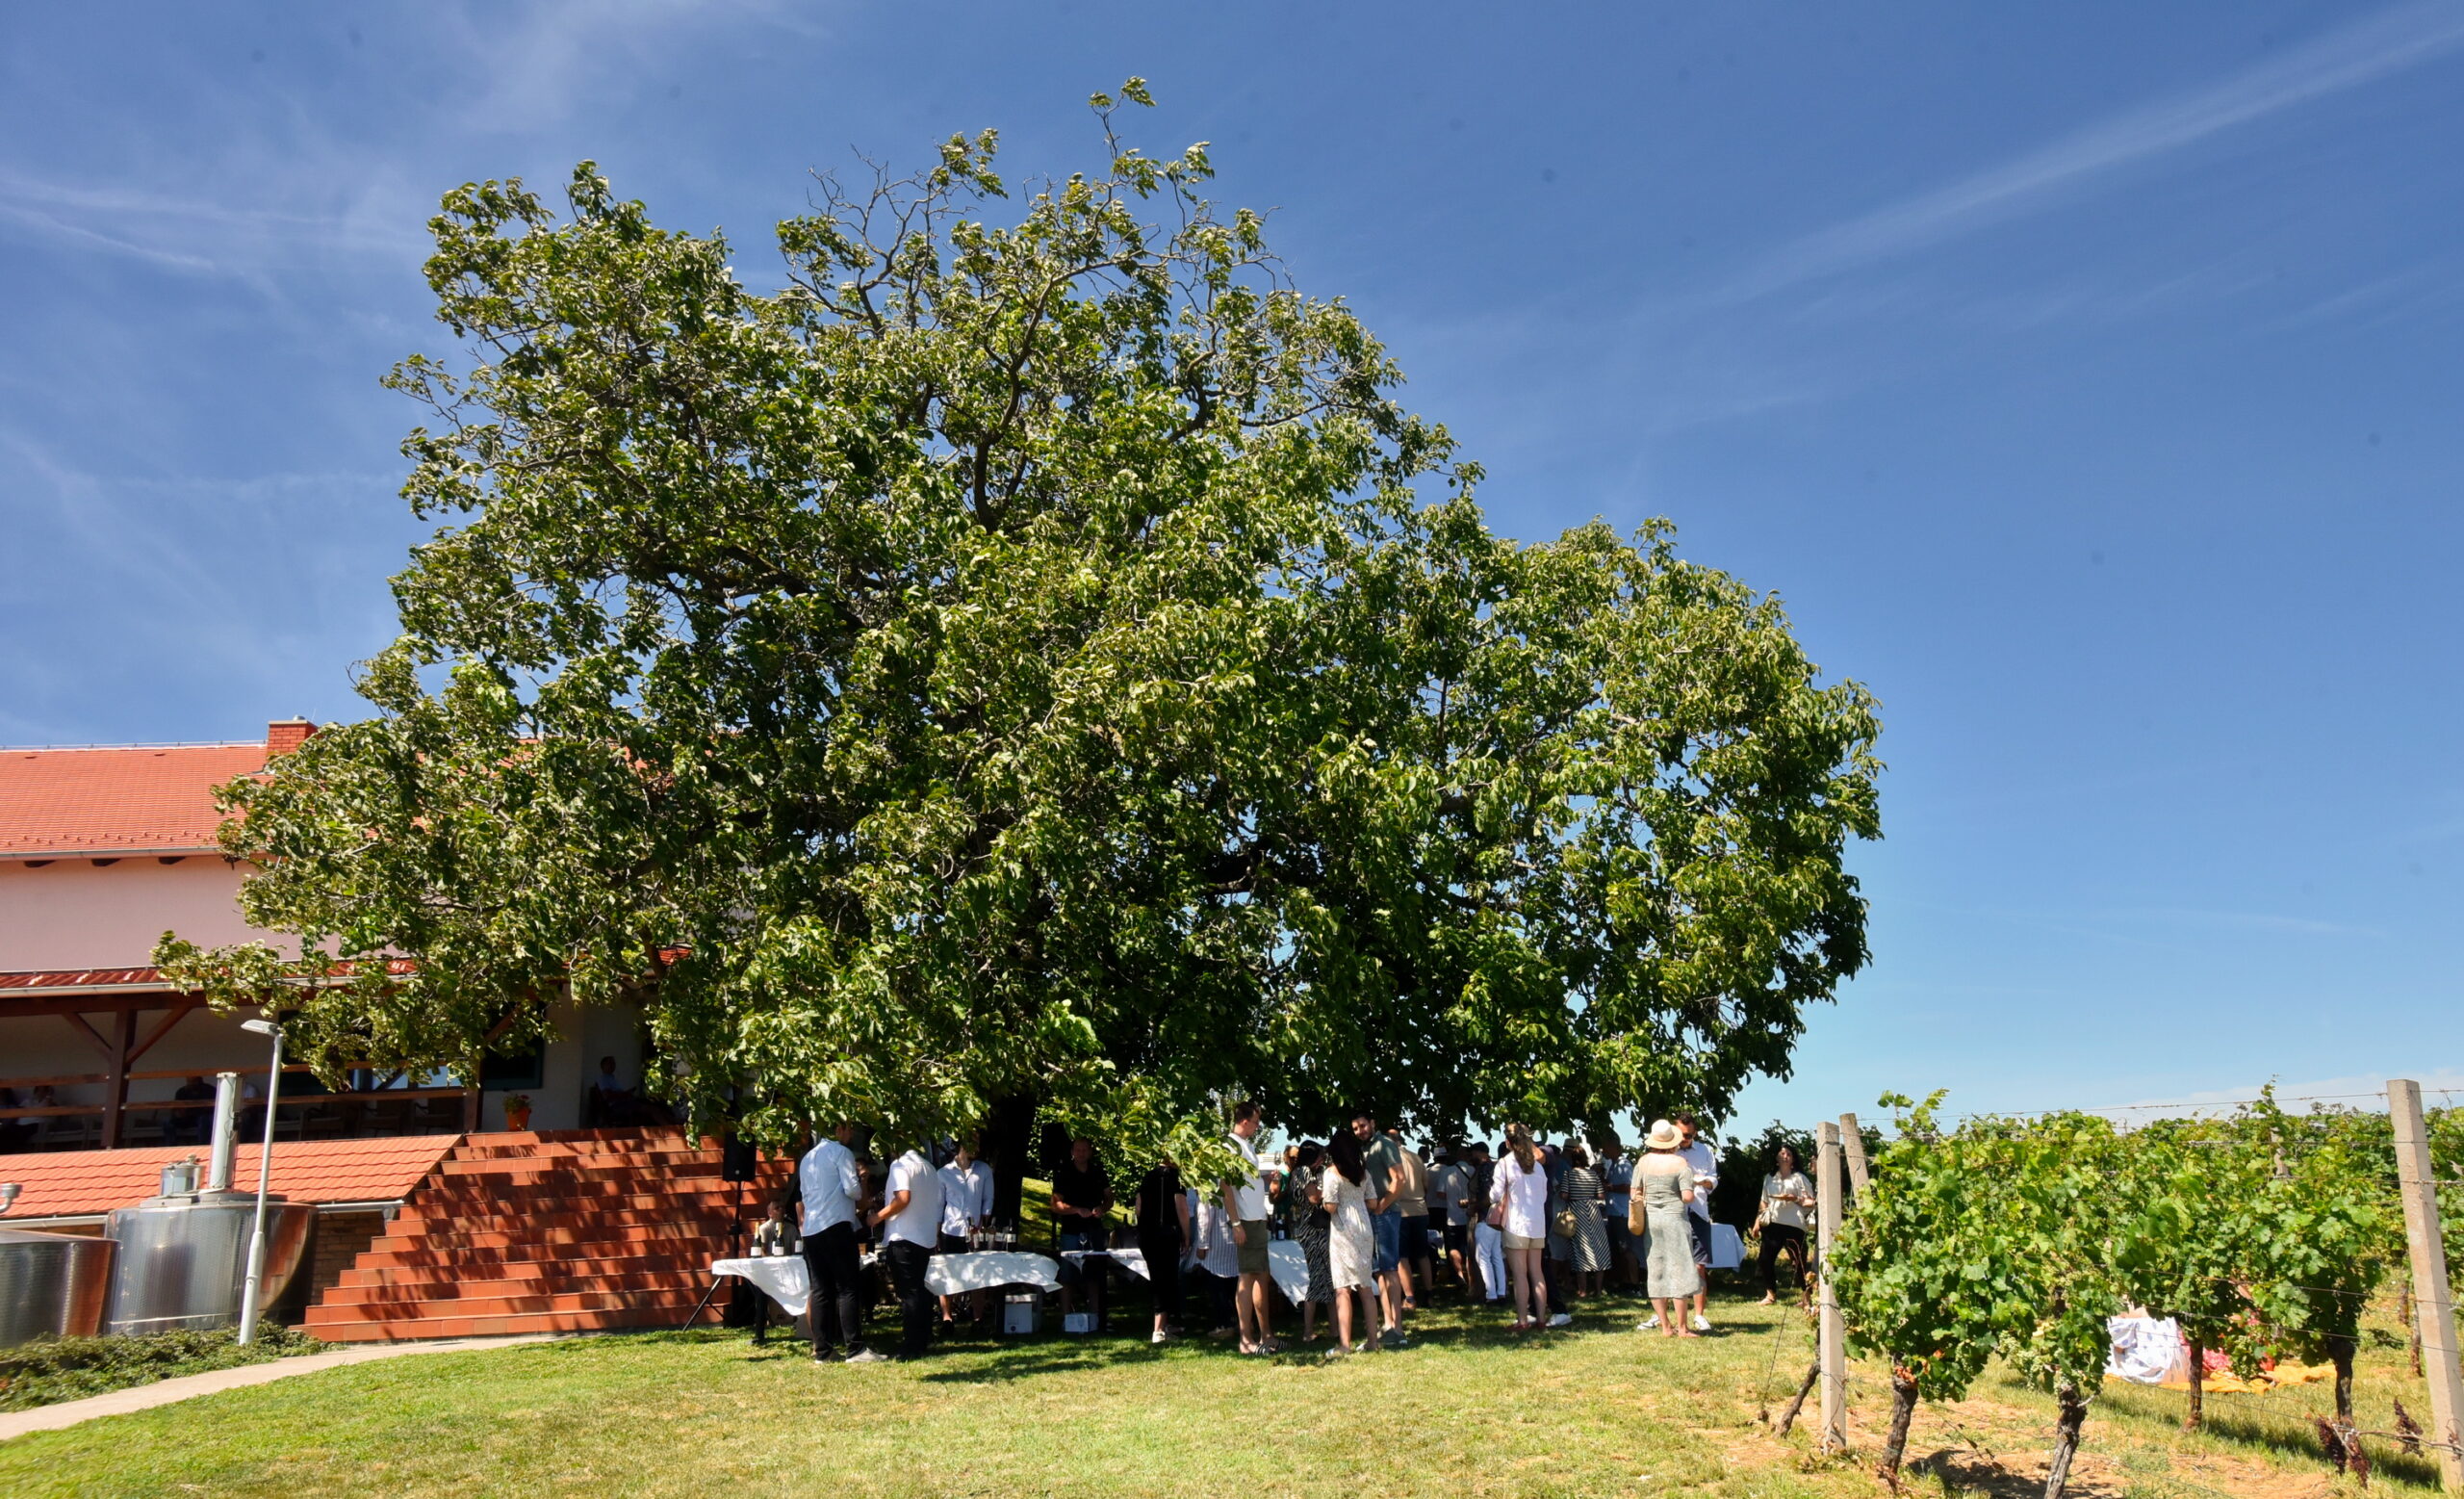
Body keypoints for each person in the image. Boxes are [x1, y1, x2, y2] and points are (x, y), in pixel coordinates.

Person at [798, 1122, 873, 1362]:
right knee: (848, 1286)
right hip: (836, 1224)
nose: (851, 1134)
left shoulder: (807, 1158)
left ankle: (823, 1350)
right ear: (838, 1130)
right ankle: (855, 1348)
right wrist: (860, 1181)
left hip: (812, 1229)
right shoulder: (841, 1152)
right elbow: (853, 1191)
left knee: (820, 1289)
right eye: (848, 1129)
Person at [872, 1139, 944, 1360]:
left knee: (909, 1293)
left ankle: (911, 1344)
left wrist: (877, 1217)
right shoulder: (930, 1168)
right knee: (920, 1291)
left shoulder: (900, 1165)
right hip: (925, 1237)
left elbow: (903, 1198)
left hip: (904, 1235)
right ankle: (922, 1339)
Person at [1632, 1119, 1704, 1337]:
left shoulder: (1643, 1162)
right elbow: (1687, 1197)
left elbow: (1634, 1194)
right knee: (1680, 1269)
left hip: (1652, 1221)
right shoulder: (1681, 1164)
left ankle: (1665, 1326)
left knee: (1656, 1270)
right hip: (1675, 1220)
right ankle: (1682, 1328)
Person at [1349, 1111, 1408, 1348]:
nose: (1360, 1131)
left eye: (1362, 1126)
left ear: (1372, 1123)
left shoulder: (1383, 1144)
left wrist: (1382, 1207)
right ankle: (1388, 1324)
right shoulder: (1364, 1148)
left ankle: (1398, 1328)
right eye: (1355, 1128)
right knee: (1379, 1271)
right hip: (1373, 1214)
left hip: (1386, 1214)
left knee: (1390, 1268)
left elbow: (1399, 1179)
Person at [1321, 1128, 1381, 1356]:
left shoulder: (1332, 1173)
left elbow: (1331, 1206)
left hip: (1343, 1229)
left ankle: (1345, 1345)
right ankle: (1373, 1341)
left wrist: (1324, 1201)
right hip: (1364, 1228)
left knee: (1343, 1289)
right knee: (1365, 1287)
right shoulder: (1363, 1174)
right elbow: (1373, 1203)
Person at [1223, 1102, 1276, 1355]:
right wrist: (1235, 1223)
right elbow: (1225, 1187)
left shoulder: (1248, 1146)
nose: (1257, 1126)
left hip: (1256, 1218)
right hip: (1245, 1220)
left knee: (1260, 1277)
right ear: (1244, 1121)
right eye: (1256, 1122)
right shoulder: (1230, 1146)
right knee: (1246, 1277)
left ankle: (1266, 1335)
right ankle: (1245, 1340)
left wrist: (1263, 1179)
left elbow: (1245, 1182)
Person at [1492, 1124, 1550, 1332]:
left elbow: (1495, 1195)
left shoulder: (1505, 1164)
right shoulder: (1538, 1165)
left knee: (1519, 1274)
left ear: (1508, 1142)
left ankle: (1523, 1319)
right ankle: (1542, 1319)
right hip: (1537, 1223)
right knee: (1537, 1272)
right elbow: (1543, 1196)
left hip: (1516, 1223)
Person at [1051, 1136, 1113, 1318]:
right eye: (1078, 1150)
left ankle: (1095, 1315)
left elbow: (1109, 1197)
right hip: (1071, 1231)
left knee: (1094, 1275)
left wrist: (1103, 1208)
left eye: (1085, 1150)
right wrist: (1076, 1210)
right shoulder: (1064, 1173)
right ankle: (1066, 1316)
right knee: (1068, 1274)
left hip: (1094, 1229)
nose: (1081, 1153)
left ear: (1090, 1151)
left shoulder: (1098, 1171)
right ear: (1072, 1152)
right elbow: (1055, 1205)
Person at [937, 1139, 995, 1325]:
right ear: (961, 1146)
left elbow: (988, 1199)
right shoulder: (944, 1173)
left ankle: (977, 1317)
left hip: (974, 1230)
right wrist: (936, 1233)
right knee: (948, 1273)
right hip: (951, 1229)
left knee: (977, 1273)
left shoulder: (983, 1170)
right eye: (973, 1143)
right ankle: (947, 1317)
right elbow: (938, 1206)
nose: (977, 1147)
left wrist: (984, 1223)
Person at [1135, 1154, 1191, 1344]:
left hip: (1146, 1233)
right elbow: (1181, 1208)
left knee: (1157, 1276)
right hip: (1167, 1232)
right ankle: (1158, 1328)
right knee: (1166, 1279)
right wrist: (1187, 1235)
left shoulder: (1147, 1176)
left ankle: (1165, 1324)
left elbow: (1139, 1207)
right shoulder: (1176, 1179)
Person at [1281, 1143, 1334, 1340]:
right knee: (1317, 1279)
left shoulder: (1313, 1171)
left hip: (1319, 1229)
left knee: (1328, 1280)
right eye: (1319, 1157)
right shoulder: (1303, 1171)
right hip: (1312, 1230)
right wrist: (1331, 1190)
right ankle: (1308, 1332)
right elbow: (1313, 1197)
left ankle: (1334, 1329)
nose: (1322, 1160)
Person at [1675, 1111, 1720, 1333]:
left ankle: (1699, 1315)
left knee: (1699, 1266)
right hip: (1674, 1213)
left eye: (1689, 1136)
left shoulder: (1704, 1151)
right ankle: (1675, 1315)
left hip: (1699, 1211)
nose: (1684, 1140)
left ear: (1695, 1133)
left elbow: (1713, 1178)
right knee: (1674, 1266)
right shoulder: (1666, 1151)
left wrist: (1705, 1182)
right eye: (1682, 1135)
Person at [1754, 1144, 1814, 1305]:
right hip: (1773, 1224)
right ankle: (1770, 1295)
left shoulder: (1800, 1178)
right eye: (1781, 1153)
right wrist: (1757, 1222)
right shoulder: (1770, 1178)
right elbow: (1764, 1201)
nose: (1785, 1155)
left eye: (1788, 1153)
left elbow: (1811, 1202)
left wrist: (1794, 1198)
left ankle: (1806, 1298)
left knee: (1798, 1263)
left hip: (1794, 1225)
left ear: (1793, 1159)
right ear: (1776, 1158)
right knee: (1765, 1260)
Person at [1390, 1130, 1433, 1312]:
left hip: (1401, 1211)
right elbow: (1426, 1184)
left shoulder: (1391, 1159)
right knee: (1423, 1254)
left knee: (1402, 1257)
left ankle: (1409, 1297)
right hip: (1421, 1209)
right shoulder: (1416, 1158)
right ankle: (1429, 1294)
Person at [1562, 1142, 1610, 1298]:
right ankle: (1598, 1290)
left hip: (1576, 1210)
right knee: (1599, 1249)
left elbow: (1563, 1195)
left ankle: (1582, 1290)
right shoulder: (1593, 1174)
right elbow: (1601, 1195)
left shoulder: (1568, 1174)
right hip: (1593, 1210)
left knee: (1580, 1249)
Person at [1433, 1146, 1476, 1298]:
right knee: (1470, 1249)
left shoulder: (1447, 1171)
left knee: (1453, 1248)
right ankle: (1472, 1279)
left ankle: (1460, 1277)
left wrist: (1452, 1198)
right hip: (1470, 1216)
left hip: (1452, 1216)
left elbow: (1440, 1193)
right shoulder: (1472, 1170)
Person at [1598, 1133, 1638, 1288]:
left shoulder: (1624, 1164)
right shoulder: (1613, 1165)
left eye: (1605, 1147)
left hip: (1623, 1213)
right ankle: (1624, 1281)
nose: (1603, 1150)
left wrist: (1610, 1187)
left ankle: (1634, 1283)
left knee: (1626, 1249)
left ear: (1614, 1148)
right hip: (1614, 1213)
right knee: (1618, 1250)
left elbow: (1630, 1187)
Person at [1470, 1141, 1505, 1304]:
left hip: (1486, 1217)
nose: (1472, 1157)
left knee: (1483, 1257)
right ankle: (1501, 1291)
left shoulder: (1484, 1169)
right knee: (1497, 1255)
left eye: (1474, 1153)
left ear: (1480, 1153)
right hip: (1499, 1218)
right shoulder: (1497, 1167)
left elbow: (1486, 1194)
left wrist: (1475, 1207)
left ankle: (1490, 1294)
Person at [170, 1075, 214, 1146]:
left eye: (193, 1081)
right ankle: (170, 1146)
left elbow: (212, 1108)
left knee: (204, 1120)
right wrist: (177, 1113)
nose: (191, 1084)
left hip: (202, 1117)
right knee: (167, 1122)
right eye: (189, 1082)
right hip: (185, 1118)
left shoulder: (209, 1090)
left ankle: (203, 1145)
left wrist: (195, 1111)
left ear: (199, 1081)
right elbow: (175, 1108)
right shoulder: (182, 1091)